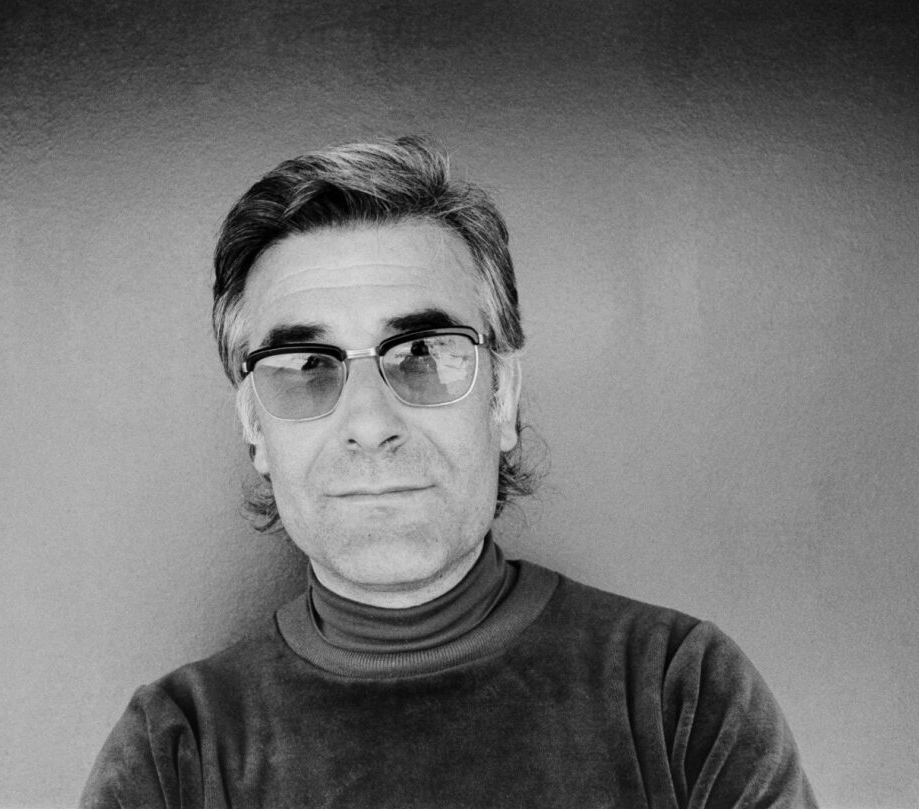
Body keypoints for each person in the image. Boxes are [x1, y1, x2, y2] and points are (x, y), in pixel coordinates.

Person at [81, 137, 817, 808]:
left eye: (424, 353)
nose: (370, 422)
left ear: (502, 398)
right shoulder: (172, 753)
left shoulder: (678, 693)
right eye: (304, 366)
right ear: (254, 427)